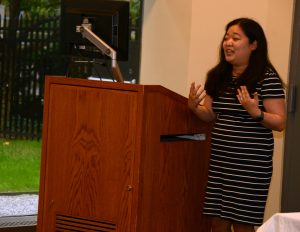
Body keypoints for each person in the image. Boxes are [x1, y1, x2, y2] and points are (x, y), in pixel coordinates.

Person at [188, 18, 286, 232]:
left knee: (242, 224)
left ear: (253, 45)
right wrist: (195, 108)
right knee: (217, 222)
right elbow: (210, 114)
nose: (228, 43)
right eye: (226, 38)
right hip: (220, 163)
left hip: (250, 167)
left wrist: (257, 113)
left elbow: (280, 122)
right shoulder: (217, 76)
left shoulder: (266, 78)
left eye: (235, 38)